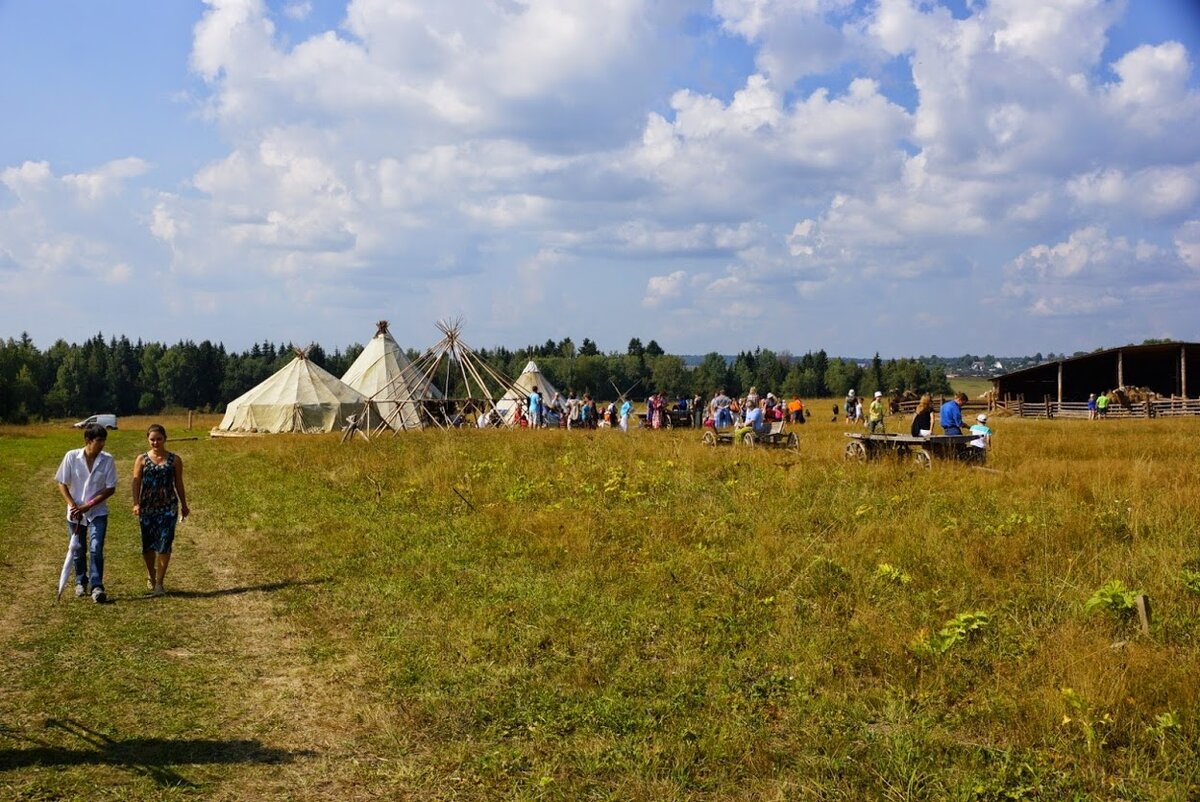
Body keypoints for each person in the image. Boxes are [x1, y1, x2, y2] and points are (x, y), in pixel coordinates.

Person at [55, 423, 117, 603]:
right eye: (99, 441)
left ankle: (97, 585)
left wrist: (89, 505)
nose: (102, 445)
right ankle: (80, 581)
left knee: (96, 547)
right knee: (78, 549)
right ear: (88, 441)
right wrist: (73, 505)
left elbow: (110, 488)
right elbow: (62, 483)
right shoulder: (72, 457)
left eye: (104, 441)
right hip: (75, 514)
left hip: (97, 511)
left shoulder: (107, 460)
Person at [132, 424, 190, 596]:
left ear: (165, 439)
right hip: (147, 508)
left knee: (165, 544)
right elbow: (136, 483)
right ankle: (151, 574)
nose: (155, 443)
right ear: (147, 440)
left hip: (168, 508)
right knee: (148, 545)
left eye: (159, 439)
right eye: (152, 440)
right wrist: (136, 503)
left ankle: (159, 583)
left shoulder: (175, 460)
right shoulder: (141, 459)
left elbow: (179, 483)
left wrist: (184, 505)